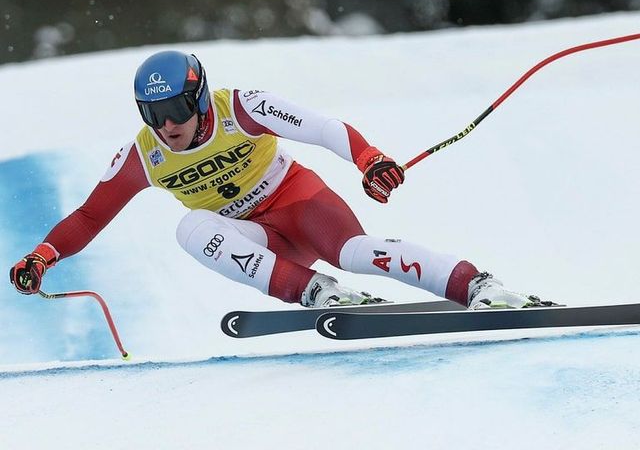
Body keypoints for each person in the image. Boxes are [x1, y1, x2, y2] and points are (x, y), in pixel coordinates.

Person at [10, 50, 552, 310]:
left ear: (198, 97)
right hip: (257, 238)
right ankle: (316, 293)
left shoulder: (240, 108)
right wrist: (42, 254)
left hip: (297, 202)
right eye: (152, 113)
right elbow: (89, 215)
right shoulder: (145, 154)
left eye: (176, 107)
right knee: (189, 228)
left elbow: (319, 127)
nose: (167, 125)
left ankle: (480, 288)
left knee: (356, 252)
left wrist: (367, 158)